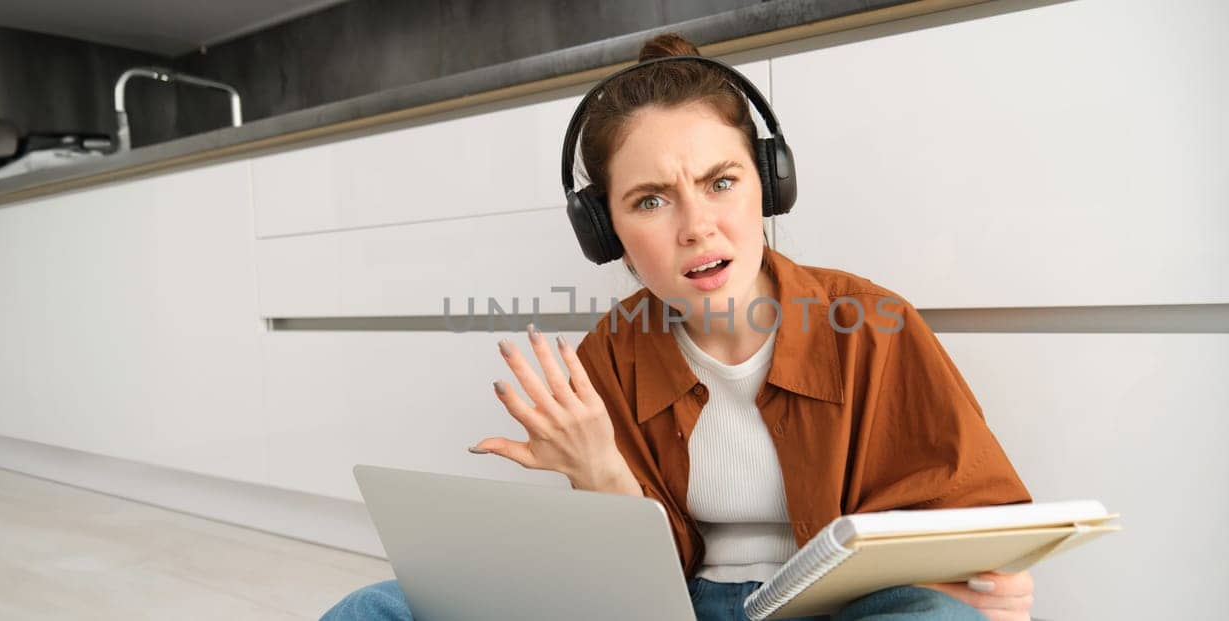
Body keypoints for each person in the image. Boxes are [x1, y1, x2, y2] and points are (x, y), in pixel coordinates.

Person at [322, 32, 1036, 621]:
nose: (697, 227)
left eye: (721, 181)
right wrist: (598, 467)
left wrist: (981, 578)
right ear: (606, 231)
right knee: (377, 609)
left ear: (767, 181)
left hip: (837, 609)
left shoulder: (870, 324)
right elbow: (634, 585)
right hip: (676, 608)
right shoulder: (610, 353)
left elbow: (972, 515)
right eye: (651, 200)